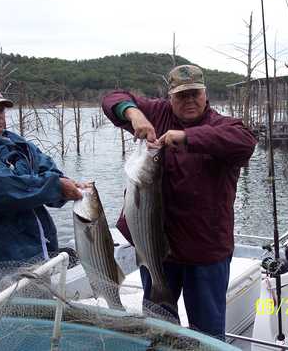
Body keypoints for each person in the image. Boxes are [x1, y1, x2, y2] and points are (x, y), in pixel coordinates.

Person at [102, 65, 257, 338]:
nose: (189, 101)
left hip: (205, 252)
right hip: (157, 249)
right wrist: (133, 113)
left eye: (194, 94)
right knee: (158, 332)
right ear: (170, 97)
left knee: (206, 336)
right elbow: (112, 98)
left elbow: (244, 142)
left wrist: (187, 138)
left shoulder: (223, 126)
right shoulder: (158, 113)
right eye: (181, 96)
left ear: (205, 94)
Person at [0, 86, 84, 295]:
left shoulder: (18, 144)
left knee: (41, 314)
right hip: (2, 257)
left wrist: (63, 187)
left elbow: (49, 171)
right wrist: (55, 186)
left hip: (38, 249)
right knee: (11, 317)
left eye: (1, 110)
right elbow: (2, 188)